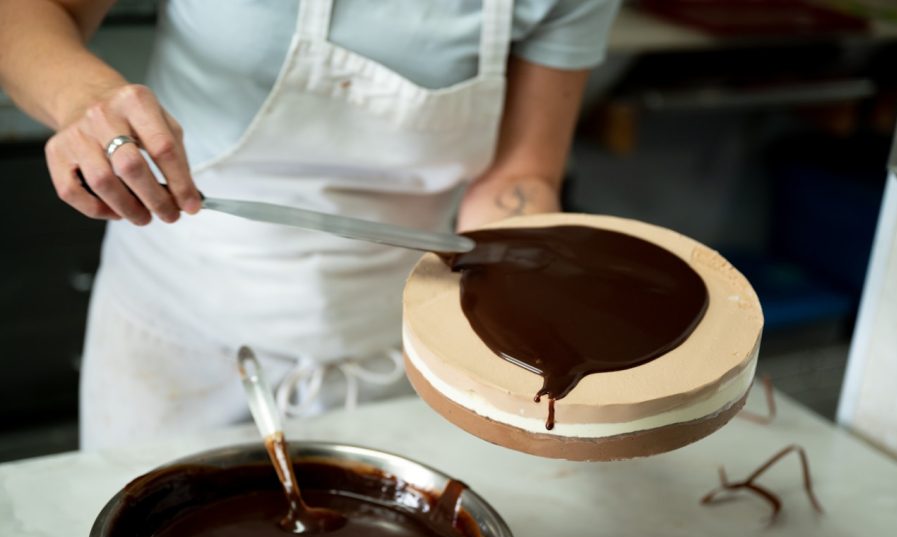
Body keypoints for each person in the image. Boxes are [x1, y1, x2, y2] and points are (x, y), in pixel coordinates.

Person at [0, 0, 620, 449]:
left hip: (399, 343)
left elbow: (518, 177)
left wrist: (522, 328)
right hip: (178, 337)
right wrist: (82, 100)